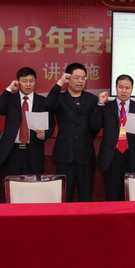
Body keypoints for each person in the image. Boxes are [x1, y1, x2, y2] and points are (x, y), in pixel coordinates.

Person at [90, 75, 135, 201]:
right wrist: (100, 104)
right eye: (121, 87)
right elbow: (94, 125)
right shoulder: (106, 107)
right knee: (112, 196)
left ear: (132, 89)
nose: (124, 91)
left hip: (132, 156)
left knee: (132, 196)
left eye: (127, 88)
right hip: (111, 157)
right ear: (116, 88)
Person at [0, 67, 62, 176]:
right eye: (24, 81)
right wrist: (9, 89)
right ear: (18, 82)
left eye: (31, 81)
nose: (28, 84)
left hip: (33, 152)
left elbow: (51, 124)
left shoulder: (43, 102)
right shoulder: (10, 99)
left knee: (32, 185)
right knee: (11, 184)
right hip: (11, 151)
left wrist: (44, 134)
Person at [48, 63, 99, 202]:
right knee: (65, 195)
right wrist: (59, 82)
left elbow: (95, 126)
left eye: (83, 78)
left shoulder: (92, 99)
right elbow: (49, 105)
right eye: (76, 77)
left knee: (86, 195)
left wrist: (86, 138)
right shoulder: (59, 98)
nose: (80, 81)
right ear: (68, 78)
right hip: (65, 153)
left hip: (85, 153)